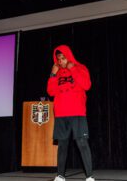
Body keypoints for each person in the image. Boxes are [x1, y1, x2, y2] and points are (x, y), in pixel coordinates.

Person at [47, 45, 95, 181]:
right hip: (61, 113)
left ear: (69, 56)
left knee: (82, 143)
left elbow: (86, 85)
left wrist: (72, 68)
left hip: (77, 112)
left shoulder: (81, 68)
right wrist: (53, 74)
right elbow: (50, 91)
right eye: (58, 59)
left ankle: (90, 176)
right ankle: (60, 175)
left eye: (63, 58)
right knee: (62, 145)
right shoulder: (56, 74)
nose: (61, 61)